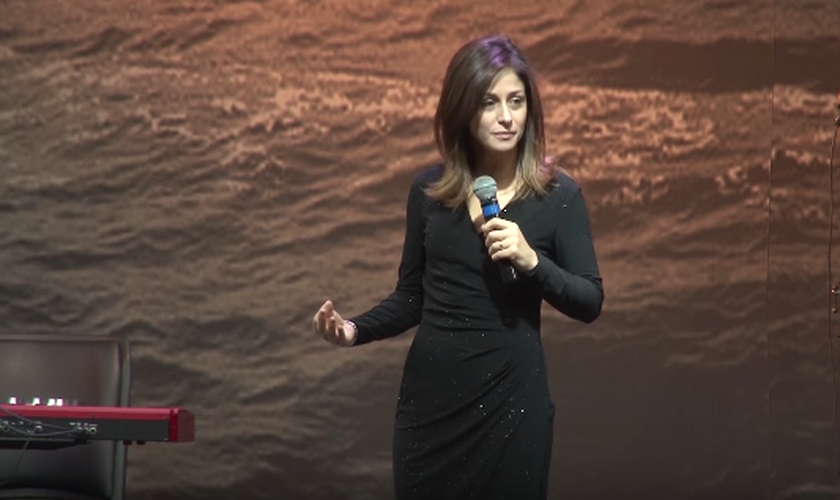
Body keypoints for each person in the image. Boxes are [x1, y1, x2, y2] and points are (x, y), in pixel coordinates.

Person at [312, 34, 603, 500]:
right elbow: (411, 298)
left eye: (516, 101)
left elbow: (590, 300)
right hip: (432, 410)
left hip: (513, 404)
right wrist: (352, 330)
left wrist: (533, 261)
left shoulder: (559, 197)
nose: (507, 117)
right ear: (463, 109)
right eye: (490, 103)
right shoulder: (428, 192)